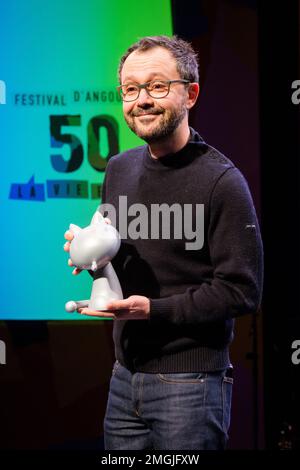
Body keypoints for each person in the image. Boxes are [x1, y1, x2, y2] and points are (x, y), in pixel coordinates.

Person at [64, 35, 263, 450]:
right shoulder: (117, 169)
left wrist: (153, 310)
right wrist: (88, 251)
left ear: (190, 93)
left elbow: (242, 290)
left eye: (157, 86)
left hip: (190, 384)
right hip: (123, 379)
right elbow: (115, 249)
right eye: (131, 89)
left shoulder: (222, 181)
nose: (142, 100)